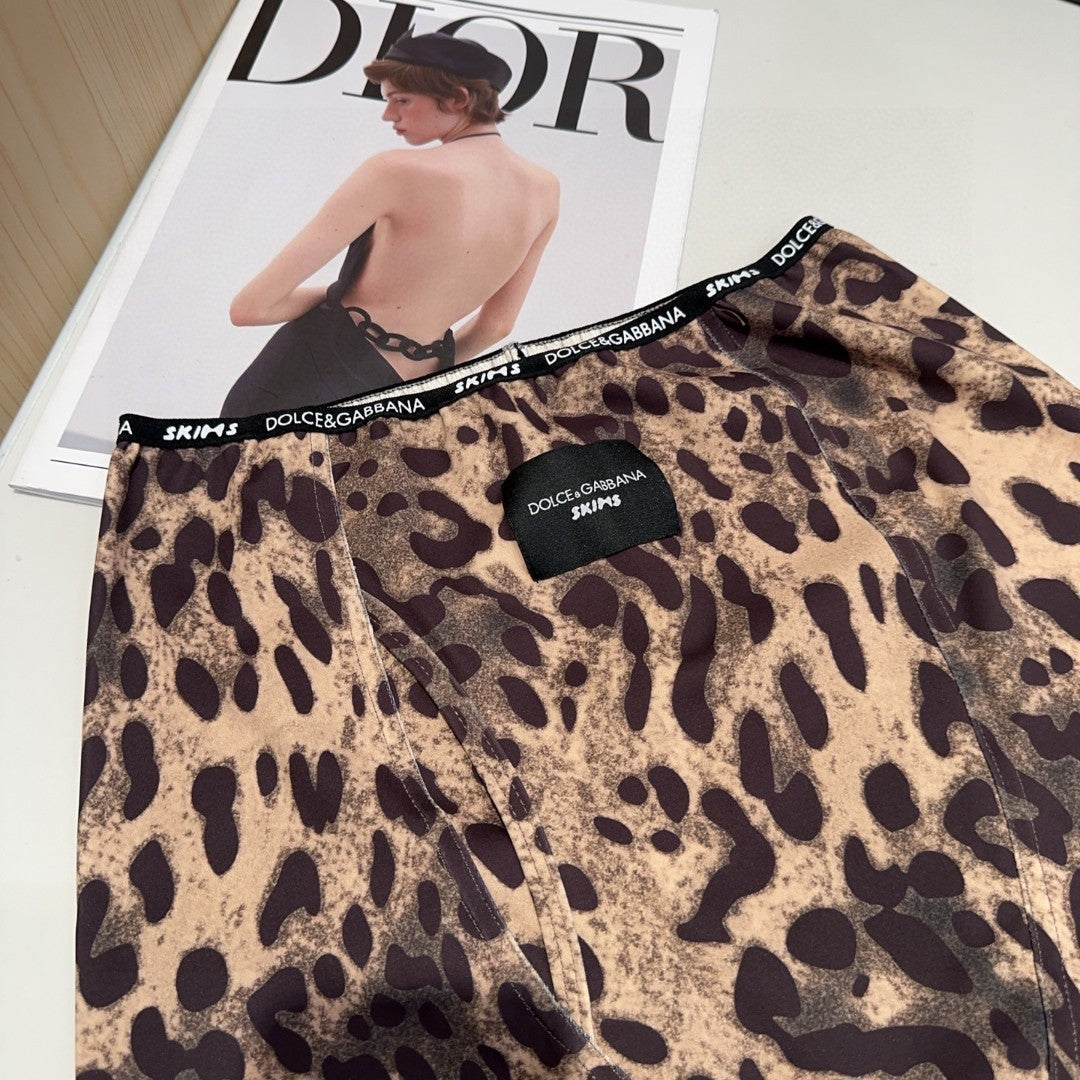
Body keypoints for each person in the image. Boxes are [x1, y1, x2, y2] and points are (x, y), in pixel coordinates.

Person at [220, 29, 560, 418]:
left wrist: (337, 297)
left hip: (304, 377)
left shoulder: (393, 171)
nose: (388, 115)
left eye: (401, 100)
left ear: (458, 98)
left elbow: (250, 307)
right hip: (407, 400)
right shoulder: (545, 191)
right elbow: (497, 325)